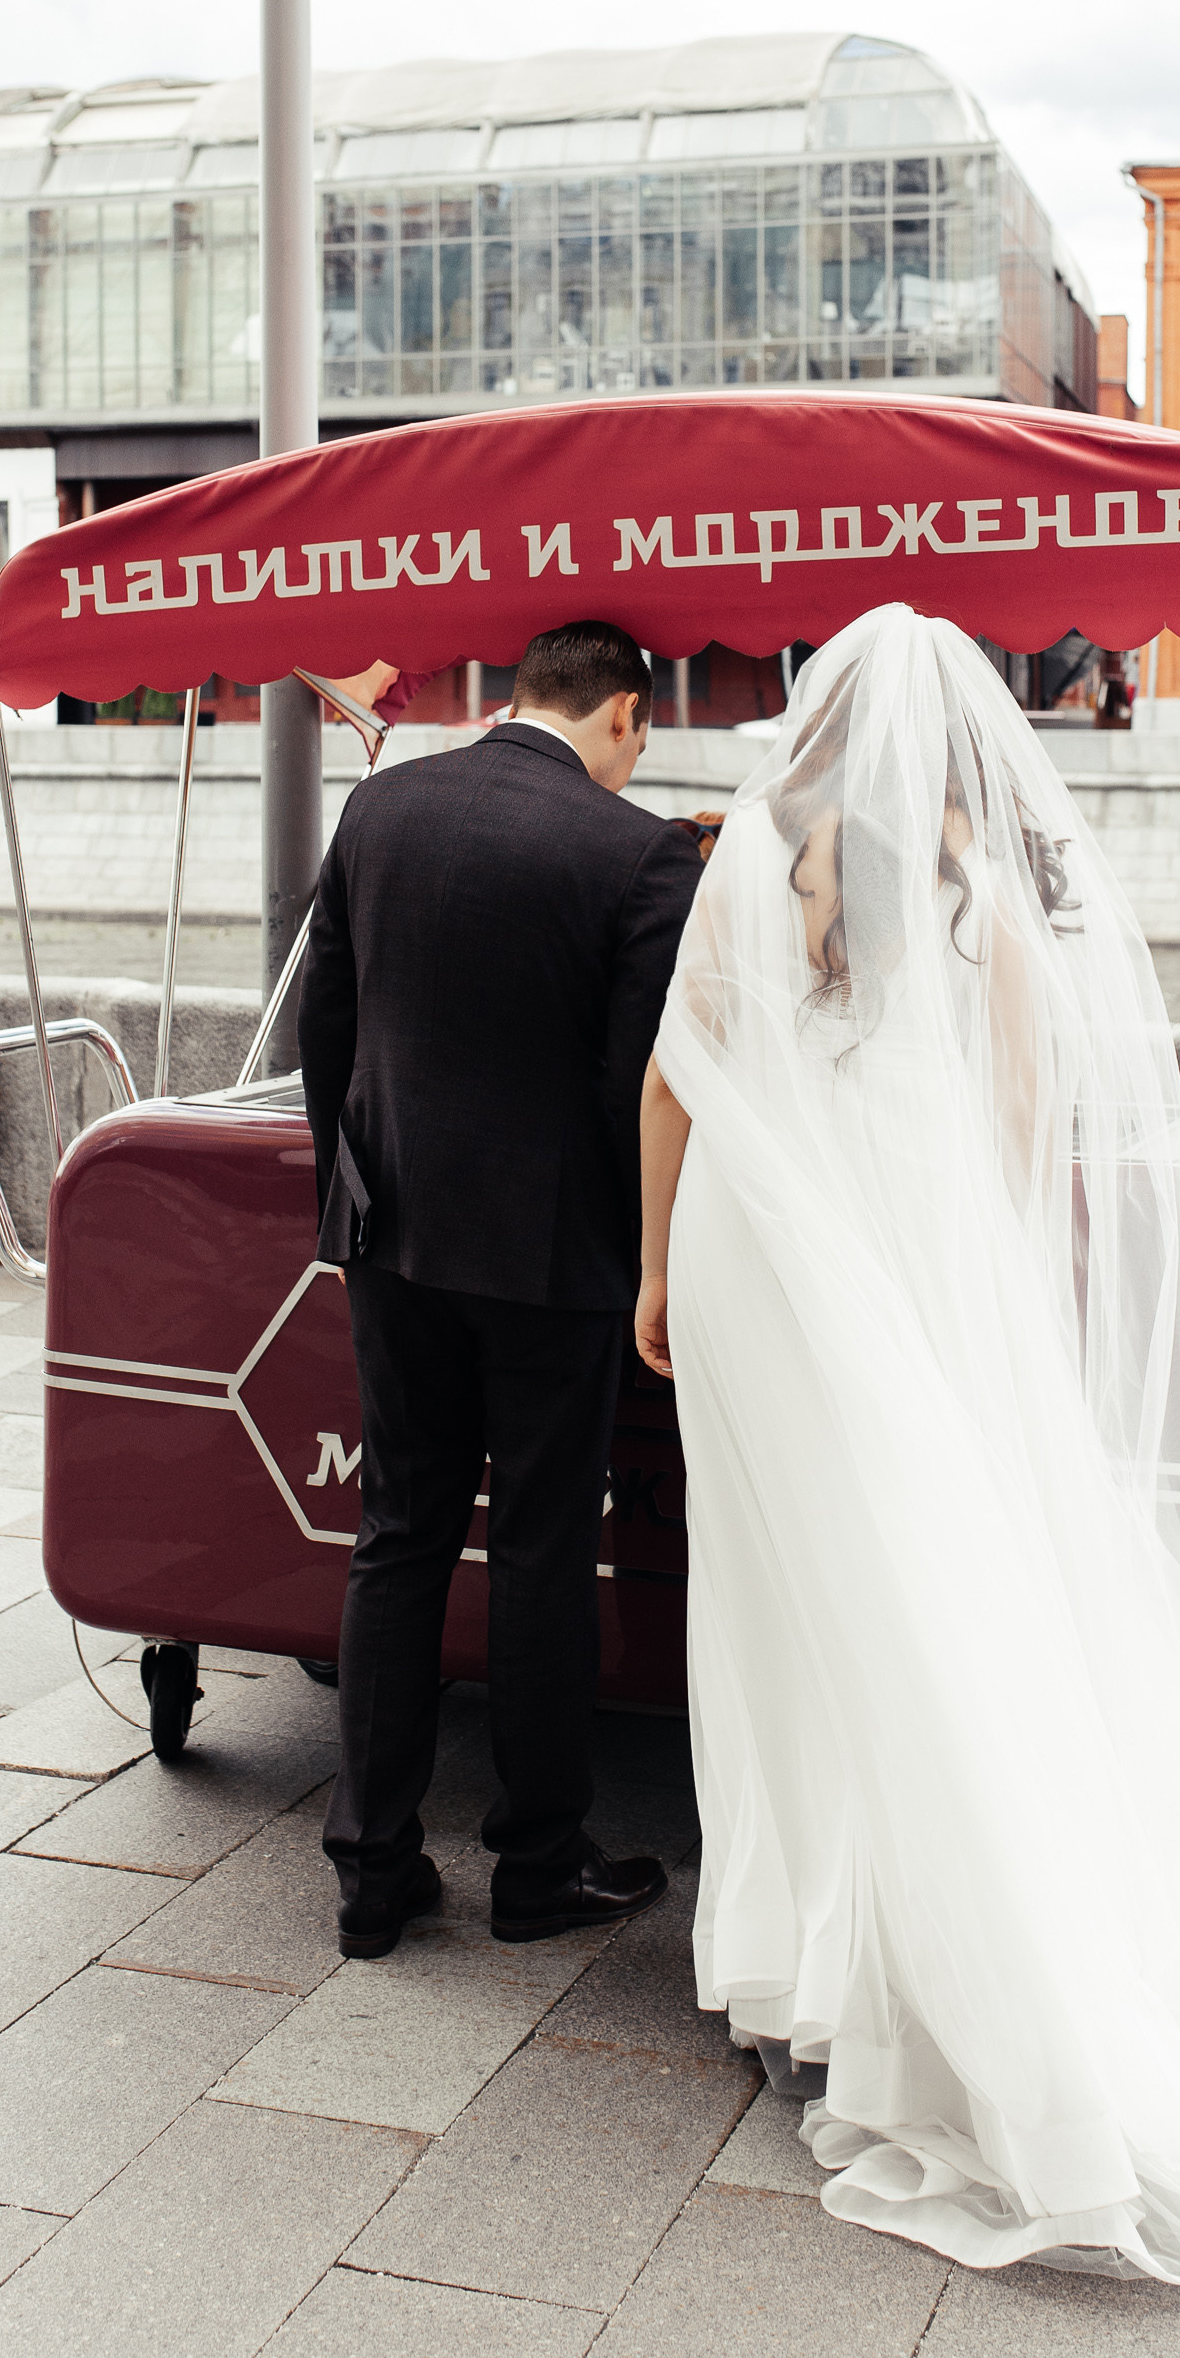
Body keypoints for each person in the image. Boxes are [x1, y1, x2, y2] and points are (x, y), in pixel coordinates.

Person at [635, 604, 1180, 2346]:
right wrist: (992, 1276)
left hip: (760, 1265)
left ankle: (810, 1956)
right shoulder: (983, 896)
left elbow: (678, 1083)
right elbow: (1032, 1123)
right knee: (927, 1596)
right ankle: (897, 1964)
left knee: (780, 1606)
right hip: (901, 1268)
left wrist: (658, 1268)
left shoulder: (753, 862)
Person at [299, 619, 701, 1958]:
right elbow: (630, 1083)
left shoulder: (385, 804)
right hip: (550, 1263)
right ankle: (538, 1866)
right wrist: (633, 1255)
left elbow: (329, 1026)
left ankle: (370, 1867)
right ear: (623, 717)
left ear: (521, 695)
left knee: (398, 1536)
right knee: (540, 1552)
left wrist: (343, 1195)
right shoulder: (640, 851)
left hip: (394, 1236)